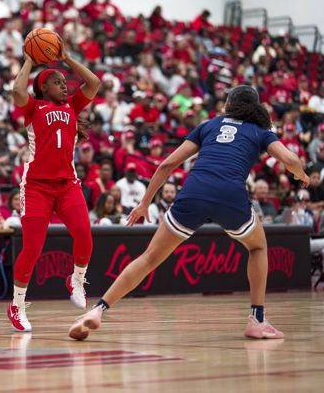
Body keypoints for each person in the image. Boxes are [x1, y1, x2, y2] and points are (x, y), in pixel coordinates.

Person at [69, 85, 309, 341]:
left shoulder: (208, 125)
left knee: (149, 258)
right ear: (256, 108)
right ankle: (257, 319)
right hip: (230, 196)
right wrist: (301, 175)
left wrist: (145, 203)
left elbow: (167, 164)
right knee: (258, 247)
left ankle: (98, 310)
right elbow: (291, 160)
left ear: (229, 104)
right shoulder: (260, 131)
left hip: (194, 192)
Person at [7, 40, 101, 332]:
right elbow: (17, 91)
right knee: (33, 247)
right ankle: (17, 305)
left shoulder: (72, 104)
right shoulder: (33, 107)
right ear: (43, 87)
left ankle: (76, 280)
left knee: (84, 233)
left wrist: (67, 58)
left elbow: (94, 83)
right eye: (57, 82)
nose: (64, 85)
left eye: (64, 82)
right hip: (36, 186)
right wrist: (29, 60)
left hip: (67, 185)